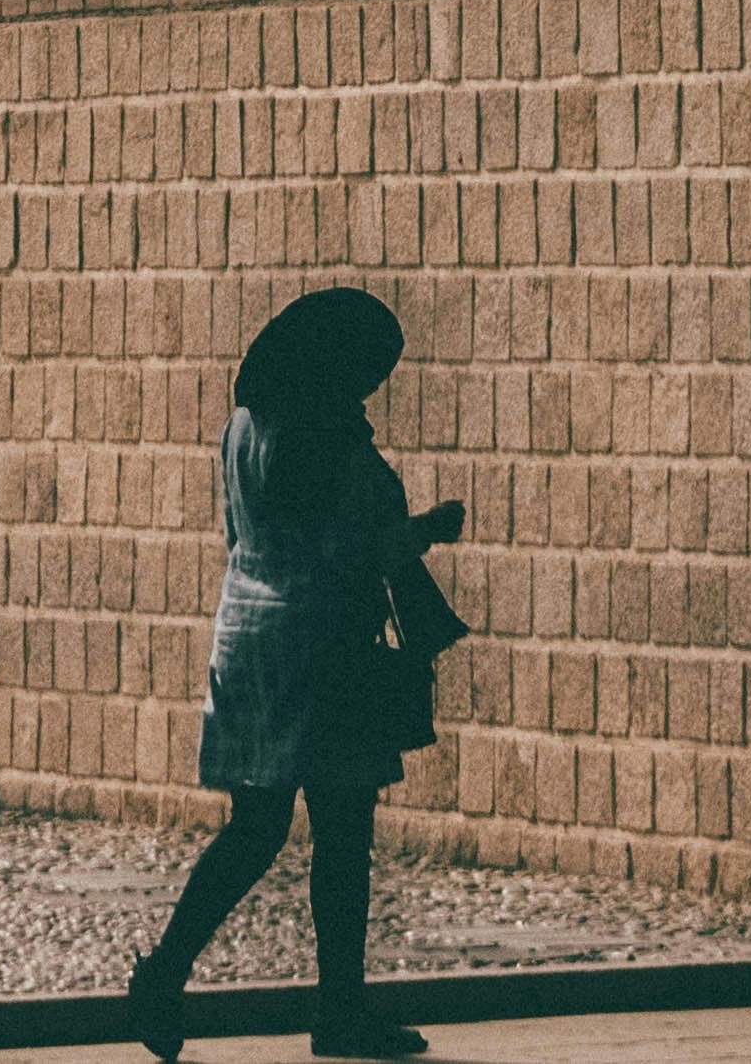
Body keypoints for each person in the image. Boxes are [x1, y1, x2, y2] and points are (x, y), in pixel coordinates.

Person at [128, 284, 466, 1064]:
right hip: (324, 647)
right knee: (343, 835)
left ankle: (165, 973)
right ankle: (340, 1011)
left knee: (254, 829)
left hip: (246, 638)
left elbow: (243, 532)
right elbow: (349, 548)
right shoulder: (325, 435)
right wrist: (426, 530)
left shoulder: (243, 427)